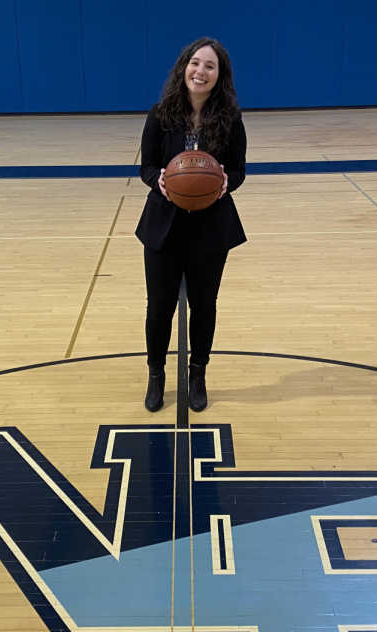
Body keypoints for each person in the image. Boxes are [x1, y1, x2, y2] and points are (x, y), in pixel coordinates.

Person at [136, 37, 247, 413]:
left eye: (210, 66)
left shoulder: (230, 118)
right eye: (195, 63)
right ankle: (156, 374)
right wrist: (160, 181)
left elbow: (238, 170)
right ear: (184, 67)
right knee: (158, 307)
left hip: (210, 225)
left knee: (204, 305)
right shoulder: (160, 113)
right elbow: (147, 165)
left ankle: (197, 373)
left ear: (220, 75)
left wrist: (226, 182)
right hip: (164, 224)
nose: (201, 71)